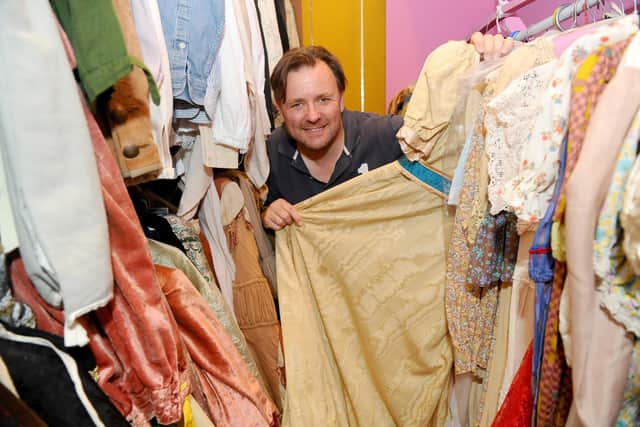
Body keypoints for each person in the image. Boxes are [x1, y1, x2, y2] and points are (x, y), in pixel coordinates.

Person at [262, 33, 514, 231]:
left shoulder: (386, 136)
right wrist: (268, 214)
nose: (312, 115)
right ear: (280, 109)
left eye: (323, 100)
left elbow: (446, 131)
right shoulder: (270, 154)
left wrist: (475, 56)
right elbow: (259, 208)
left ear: (340, 99)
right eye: (297, 104)